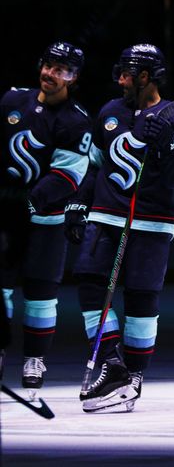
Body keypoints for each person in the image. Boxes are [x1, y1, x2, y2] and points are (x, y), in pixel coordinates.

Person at [70, 43, 174, 412]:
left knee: (142, 299)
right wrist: (79, 202)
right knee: (90, 284)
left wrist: (167, 144)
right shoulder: (109, 111)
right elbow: (93, 165)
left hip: (151, 223)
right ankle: (112, 364)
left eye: (127, 72)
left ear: (144, 76)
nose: (121, 79)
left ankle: (134, 377)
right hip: (105, 216)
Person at [0, 41, 91, 398]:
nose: (51, 74)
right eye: (49, 65)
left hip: (46, 223)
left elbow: (67, 176)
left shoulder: (76, 121)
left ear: (74, 78)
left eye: (62, 70)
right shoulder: (10, 101)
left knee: (41, 295)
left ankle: (34, 359)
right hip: (5, 220)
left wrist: (27, 204)